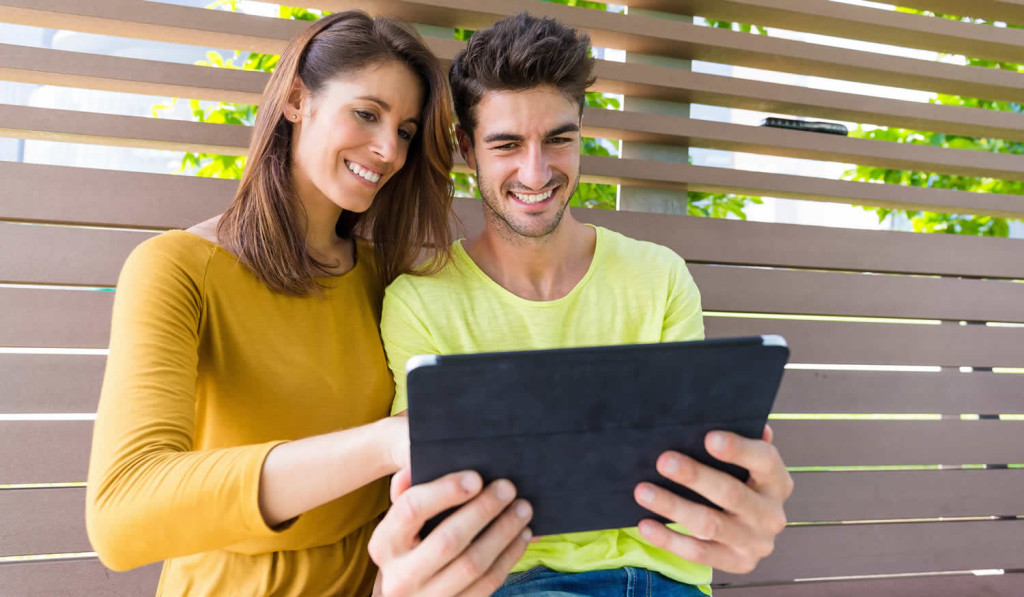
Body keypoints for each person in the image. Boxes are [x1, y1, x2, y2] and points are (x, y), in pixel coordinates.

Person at [85, 11, 530, 596]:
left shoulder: (390, 280)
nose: (387, 150)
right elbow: (121, 513)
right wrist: (385, 440)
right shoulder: (177, 268)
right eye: (367, 114)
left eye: (405, 130)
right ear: (297, 100)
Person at [376, 13, 794, 596]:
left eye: (558, 139)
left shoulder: (659, 276)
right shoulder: (420, 299)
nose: (536, 171)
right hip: (516, 581)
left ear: (581, 133)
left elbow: (693, 462)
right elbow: (426, 489)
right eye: (507, 144)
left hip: (664, 580)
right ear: (467, 149)